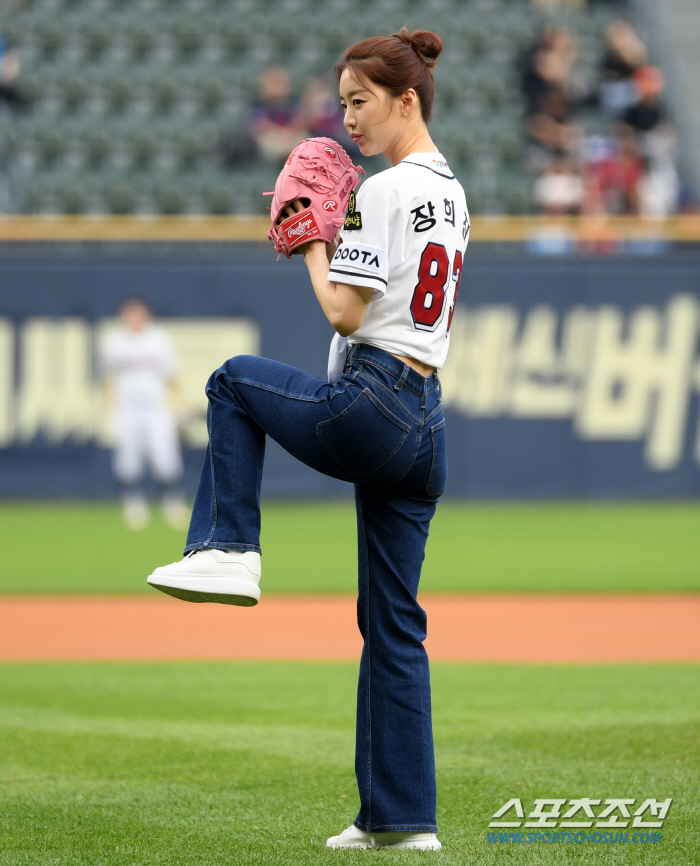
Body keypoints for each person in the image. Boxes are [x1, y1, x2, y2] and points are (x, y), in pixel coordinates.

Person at [147, 27, 468, 851]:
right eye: (343, 101)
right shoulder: (453, 191)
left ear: (407, 99)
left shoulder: (384, 191)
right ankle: (401, 822)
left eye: (361, 101)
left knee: (230, 381)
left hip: (372, 399)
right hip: (426, 422)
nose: (347, 118)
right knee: (394, 623)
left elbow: (343, 311)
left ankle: (228, 546)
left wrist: (311, 237)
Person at [99, 298, 189, 531]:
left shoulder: (158, 339)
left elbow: (171, 374)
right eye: (129, 314)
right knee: (128, 459)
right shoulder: (114, 342)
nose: (133, 319)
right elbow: (107, 378)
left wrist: (179, 403)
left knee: (165, 457)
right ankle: (133, 504)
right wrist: (106, 407)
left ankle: (172, 503)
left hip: (155, 408)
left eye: (138, 314)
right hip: (127, 408)